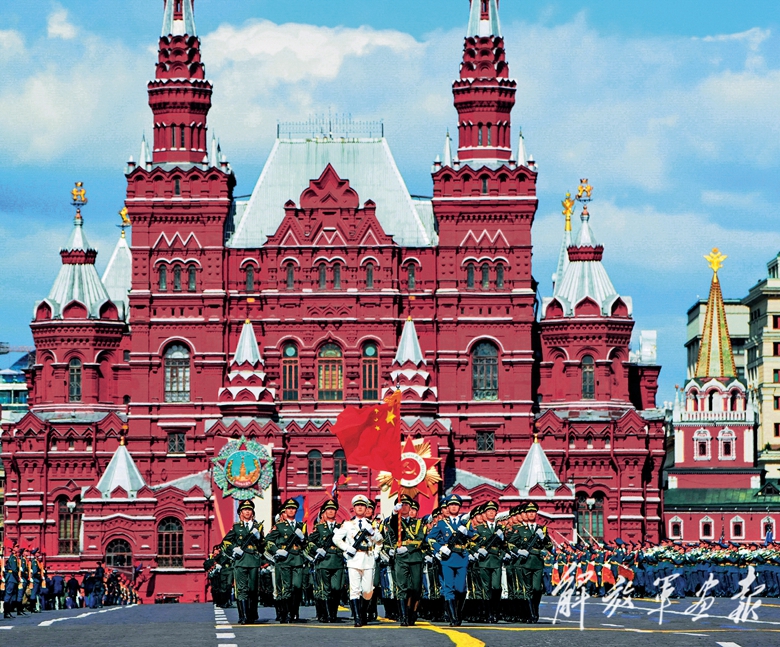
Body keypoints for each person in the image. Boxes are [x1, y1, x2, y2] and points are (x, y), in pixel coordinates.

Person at [333, 494, 383, 627]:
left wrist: (373, 533)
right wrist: (346, 548)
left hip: (368, 558)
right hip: (354, 559)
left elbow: (379, 540)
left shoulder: (372, 524)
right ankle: (357, 618)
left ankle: (363, 612)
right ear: (354, 508)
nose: (360, 508)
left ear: (366, 508)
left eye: (362, 506)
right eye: (357, 506)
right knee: (354, 589)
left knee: (368, 591)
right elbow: (336, 538)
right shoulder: (348, 524)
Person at [427, 494, 474, 627]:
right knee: (448, 587)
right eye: (451, 505)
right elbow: (430, 538)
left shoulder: (465, 523)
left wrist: (467, 532)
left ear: (459, 507)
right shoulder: (442, 523)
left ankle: (458, 613)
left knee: (461, 588)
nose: (454, 507)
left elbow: (476, 537)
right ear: (447, 507)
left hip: (461, 557)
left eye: (456, 505)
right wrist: (440, 548)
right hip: (447, 558)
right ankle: (453, 618)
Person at [385, 494, 427, 627]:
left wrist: (407, 548)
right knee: (402, 587)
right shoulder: (394, 522)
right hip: (401, 559)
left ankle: (412, 613)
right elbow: (392, 530)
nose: (404, 507)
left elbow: (419, 539)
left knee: (416, 588)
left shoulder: (418, 523)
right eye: (401, 505)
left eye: (407, 505)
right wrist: (394, 512)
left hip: (415, 557)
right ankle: (403, 616)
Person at [221, 499, 265, 625]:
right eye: (245, 510)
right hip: (240, 561)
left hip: (253, 560)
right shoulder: (236, 527)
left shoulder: (257, 527)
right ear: (240, 513)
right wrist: (234, 549)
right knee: (241, 589)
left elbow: (263, 546)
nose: (247, 512)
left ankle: (252, 614)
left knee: (253, 589)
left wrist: (259, 538)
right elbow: (225, 542)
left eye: (249, 510)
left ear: (253, 512)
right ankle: (243, 615)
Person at [266, 498, 308, 623]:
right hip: (284, 559)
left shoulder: (301, 526)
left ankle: (294, 611)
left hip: (297, 559)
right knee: (286, 587)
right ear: (285, 511)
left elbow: (306, 544)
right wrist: (277, 550)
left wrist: (303, 539)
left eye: (293, 508)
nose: (291, 510)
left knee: (297, 586)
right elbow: (268, 541)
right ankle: (286, 613)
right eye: (289, 508)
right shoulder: (279, 526)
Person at [307, 498, 345, 623]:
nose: (331, 511)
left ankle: (333, 612)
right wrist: (317, 549)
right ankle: (328, 615)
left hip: (338, 560)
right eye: (328, 509)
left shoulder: (341, 527)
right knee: (325, 589)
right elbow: (310, 542)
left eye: (333, 509)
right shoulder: (319, 527)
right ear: (324, 512)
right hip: (324, 561)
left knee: (337, 588)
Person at [516, 502, 552, 623]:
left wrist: (543, 538)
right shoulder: (520, 529)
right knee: (528, 589)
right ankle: (531, 614)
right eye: (529, 512)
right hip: (526, 561)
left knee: (537, 589)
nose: (531, 514)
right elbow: (512, 544)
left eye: (533, 512)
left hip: (537, 562)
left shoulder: (541, 529)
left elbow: (550, 547)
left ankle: (535, 609)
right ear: (526, 514)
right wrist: (518, 551)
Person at [473, 500, 506, 623]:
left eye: (493, 511)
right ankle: (489, 613)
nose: (491, 512)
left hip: (496, 561)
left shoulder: (500, 528)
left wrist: (502, 555)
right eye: (489, 511)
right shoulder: (479, 528)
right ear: (485, 513)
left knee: (496, 587)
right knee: (486, 588)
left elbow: (505, 545)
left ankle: (495, 611)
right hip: (484, 561)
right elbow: (472, 543)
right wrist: (478, 550)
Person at [3, 544, 21, 619]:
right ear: (13, 548)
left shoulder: (13, 557)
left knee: (9, 595)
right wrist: (17, 578)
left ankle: (8, 612)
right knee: (8, 595)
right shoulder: (13, 558)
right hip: (11, 578)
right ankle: (6, 612)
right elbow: (14, 569)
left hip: (11, 578)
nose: (18, 548)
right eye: (16, 547)